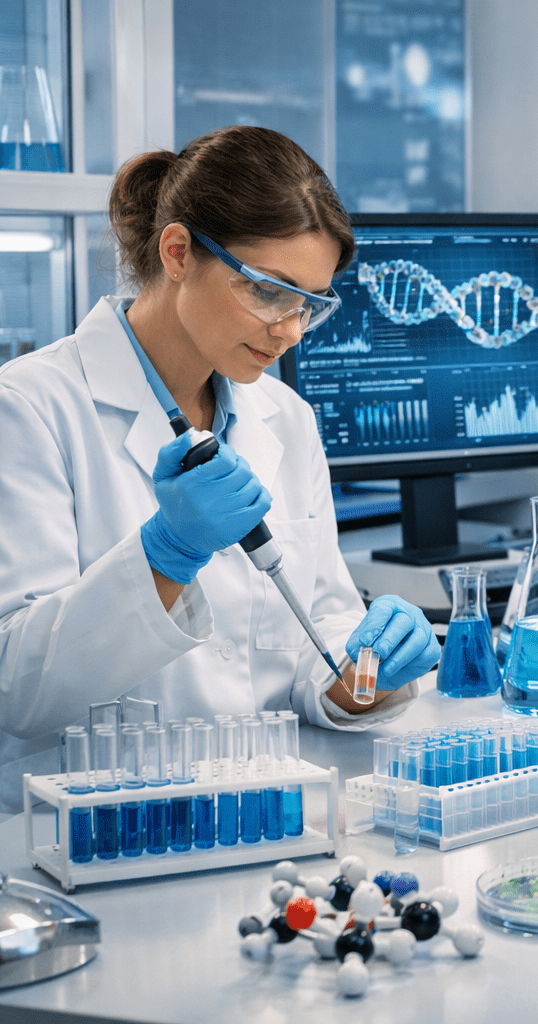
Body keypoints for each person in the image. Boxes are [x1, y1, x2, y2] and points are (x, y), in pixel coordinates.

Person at [0, 126, 440, 815]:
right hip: (95, 837)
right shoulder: (29, 409)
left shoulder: (285, 419)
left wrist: (366, 675)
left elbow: (315, 631)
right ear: (178, 252)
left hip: (267, 822)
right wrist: (165, 556)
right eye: (270, 292)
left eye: (310, 305)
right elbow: (17, 688)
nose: (290, 330)